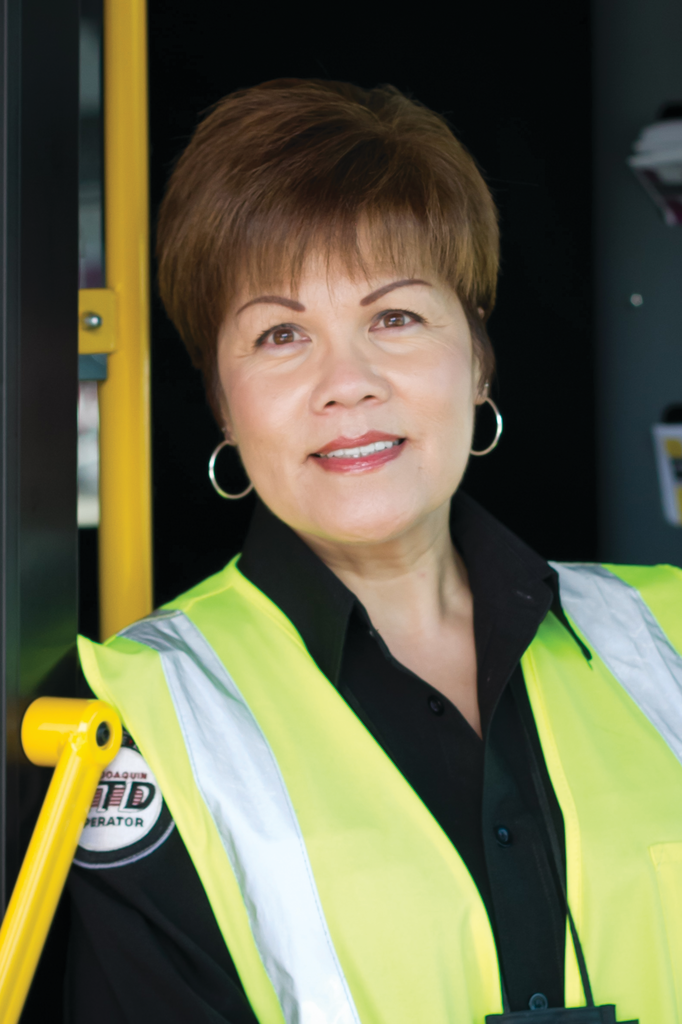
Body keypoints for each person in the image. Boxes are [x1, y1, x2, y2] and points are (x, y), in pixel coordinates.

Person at [67, 79, 682, 1024]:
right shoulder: (139, 719)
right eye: (280, 334)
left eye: (394, 317)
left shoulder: (667, 634)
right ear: (223, 404)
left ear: (477, 359)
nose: (346, 383)